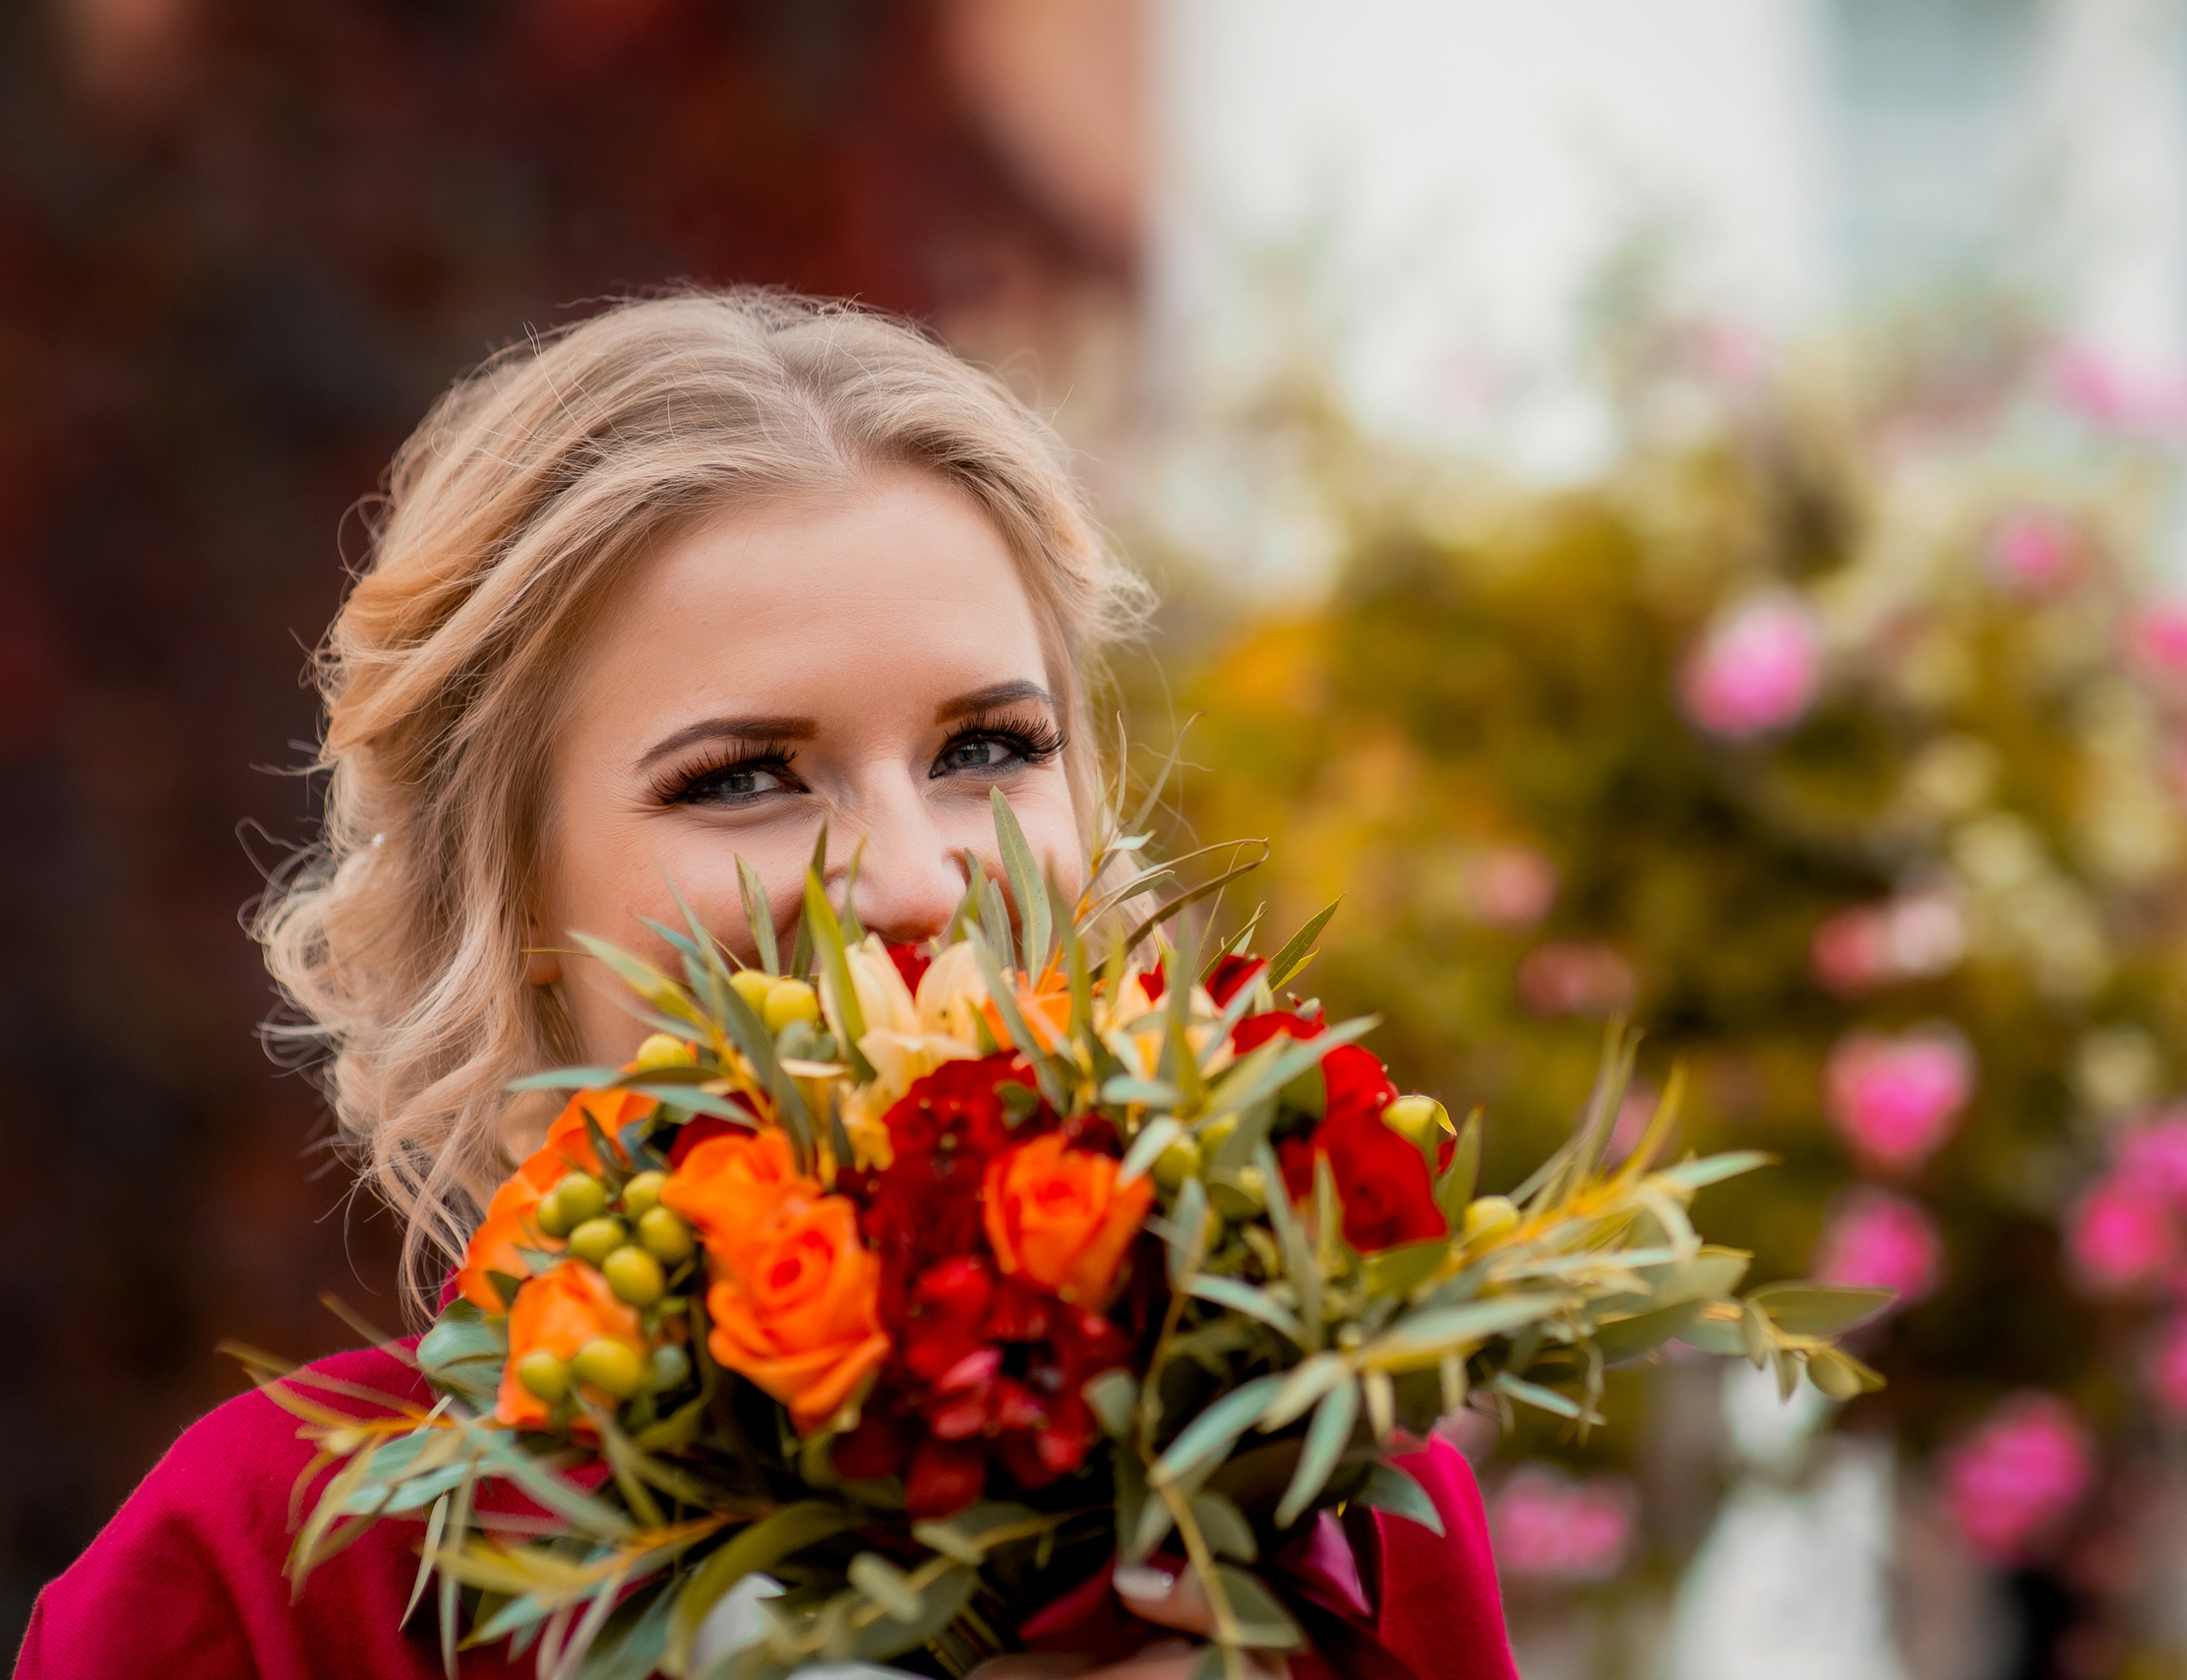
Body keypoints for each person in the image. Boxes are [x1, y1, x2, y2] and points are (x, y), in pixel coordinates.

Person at [13, 291, 1517, 1680]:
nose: (920, 877)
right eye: (741, 777)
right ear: (513, 884)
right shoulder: (267, 1572)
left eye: (988, 749)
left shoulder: (1337, 1495)